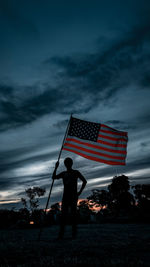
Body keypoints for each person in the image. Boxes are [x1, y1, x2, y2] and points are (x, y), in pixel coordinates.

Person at [52, 157, 87, 239]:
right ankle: (61, 235)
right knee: (64, 215)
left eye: (69, 163)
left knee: (73, 215)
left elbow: (84, 181)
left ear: (71, 164)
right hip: (66, 196)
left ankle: (73, 234)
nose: (67, 164)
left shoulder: (76, 172)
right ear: (65, 164)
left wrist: (80, 192)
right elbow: (53, 177)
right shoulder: (64, 173)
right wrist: (56, 167)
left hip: (73, 196)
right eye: (66, 163)